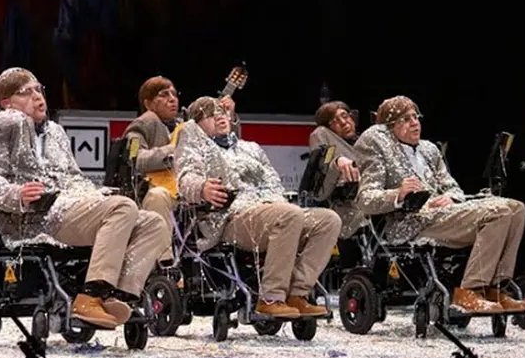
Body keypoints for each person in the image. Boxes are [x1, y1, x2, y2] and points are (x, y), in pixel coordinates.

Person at [0, 67, 170, 329]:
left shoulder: (56, 132)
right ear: (7, 103)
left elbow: (73, 177)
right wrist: (17, 193)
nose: (37, 96)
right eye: (26, 92)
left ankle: (117, 296)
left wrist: (97, 195)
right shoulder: (0, 123)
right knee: (122, 208)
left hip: (71, 207)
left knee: (154, 222)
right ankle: (91, 296)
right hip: (36, 216)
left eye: (38, 89)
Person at [353, 96, 525, 315]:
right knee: (499, 212)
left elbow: (453, 187)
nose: (415, 122)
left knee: (516, 208)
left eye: (415, 117)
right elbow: (366, 199)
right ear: (390, 127)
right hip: (411, 221)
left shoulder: (429, 150)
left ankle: (495, 288)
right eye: (405, 119)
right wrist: (398, 193)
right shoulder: (377, 145)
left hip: (444, 213)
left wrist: (451, 198)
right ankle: (471, 290)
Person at [175, 96, 341, 320]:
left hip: (271, 209)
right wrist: (202, 188)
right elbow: (186, 177)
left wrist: (277, 202)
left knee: (328, 220)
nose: (219, 117)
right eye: (209, 114)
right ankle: (271, 298)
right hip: (232, 216)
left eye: (223, 112)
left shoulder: (250, 148)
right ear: (197, 124)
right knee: (289, 214)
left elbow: (273, 181)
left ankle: (298, 293)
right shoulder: (198, 146)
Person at [120, 76, 184, 223]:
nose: (172, 99)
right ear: (148, 104)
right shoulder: (139, 126)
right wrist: (172, 151)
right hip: (151, 192)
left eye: (174, 94)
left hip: (183, 189)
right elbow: (135, 158)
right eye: (164, 94)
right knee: (158, 196)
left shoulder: (185, 126)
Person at [307, 100, 365, 238]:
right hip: (345, 213)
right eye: (334, 121)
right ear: (328, 127)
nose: (343, 122)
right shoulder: (322, 134)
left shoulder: (364, 142)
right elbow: (323, 166)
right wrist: (337, 162)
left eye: (345, 116)